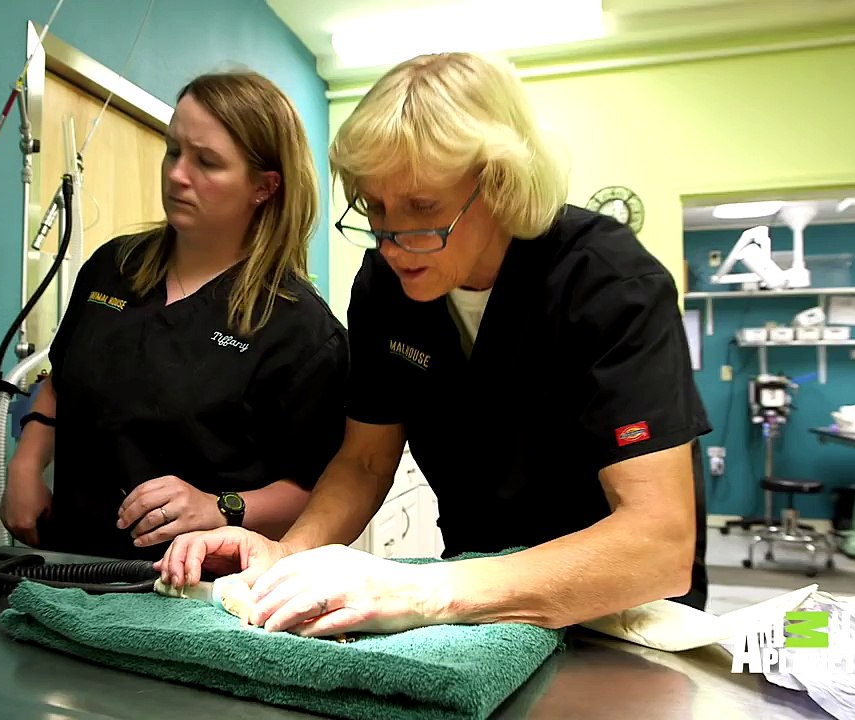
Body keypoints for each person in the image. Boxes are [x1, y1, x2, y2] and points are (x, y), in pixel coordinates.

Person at [157, 51, 711, 636]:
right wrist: (289, 556)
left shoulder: (608, 284)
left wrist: (423, 592)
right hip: (473, 600)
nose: (393, 243)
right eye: (375, 208)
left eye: (423, 209)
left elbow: (658, 543)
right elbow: (366, 459)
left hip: (615, 608)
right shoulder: (385, 290)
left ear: (498, 184)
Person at [1, 70, 349, 561]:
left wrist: (219, 507)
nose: (177, 174)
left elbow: (319, 493)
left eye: (207, 162)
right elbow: (63, 379)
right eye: (173, 151)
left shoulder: (300, 329)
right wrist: (26, 465)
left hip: (200, 594)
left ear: (264, 188)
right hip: (71, 564)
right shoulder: (113, 268)